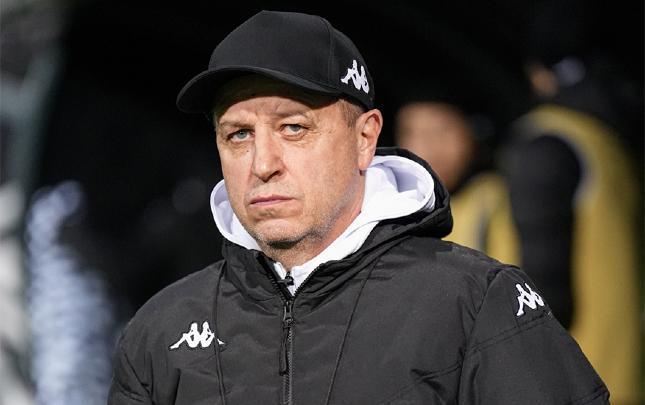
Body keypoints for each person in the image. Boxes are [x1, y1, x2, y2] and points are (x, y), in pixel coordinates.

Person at [108, 10, 608, 404]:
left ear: (365, 138)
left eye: (293, 128)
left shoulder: (476, 304)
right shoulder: (161, 330)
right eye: (238, 134)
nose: (262, 164)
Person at [502, 2, 642, 402]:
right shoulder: (613, 146)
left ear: (540, 74)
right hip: (624, 379)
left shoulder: (547, 144)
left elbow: (544, 298)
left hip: (571, 388)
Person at [395, 101, 519, 266]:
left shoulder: (493, 196)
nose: (432, 146)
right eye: (417, 133)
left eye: (443, 131)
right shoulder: (387, 207)